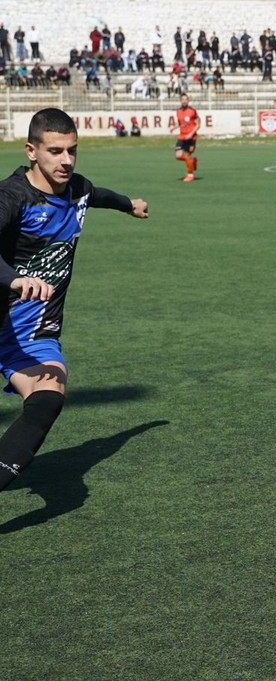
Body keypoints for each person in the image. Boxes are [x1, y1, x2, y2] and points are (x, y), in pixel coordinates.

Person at [0, 107, 149, 494]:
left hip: (31, 331)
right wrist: (16, 279)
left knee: (49, 395)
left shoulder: (76, 188)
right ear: (32, 151)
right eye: (55, 151)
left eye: (72, 150)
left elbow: (96, 195)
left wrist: (129, 204)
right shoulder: (13, 197)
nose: (66, 160)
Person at [168, 92, 200, 183]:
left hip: (191, 138)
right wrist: (174, 127)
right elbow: (180, 122)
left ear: (188, 101)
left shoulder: (192, 111)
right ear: (180, 101)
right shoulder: (178, 111)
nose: (184, 101)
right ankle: (193, 160)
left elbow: (198, 124)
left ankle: (190, 175)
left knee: (187, 155)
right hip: (182, 137)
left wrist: (191, 133)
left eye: (186, 99)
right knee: (178, 156)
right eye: (183, 99)